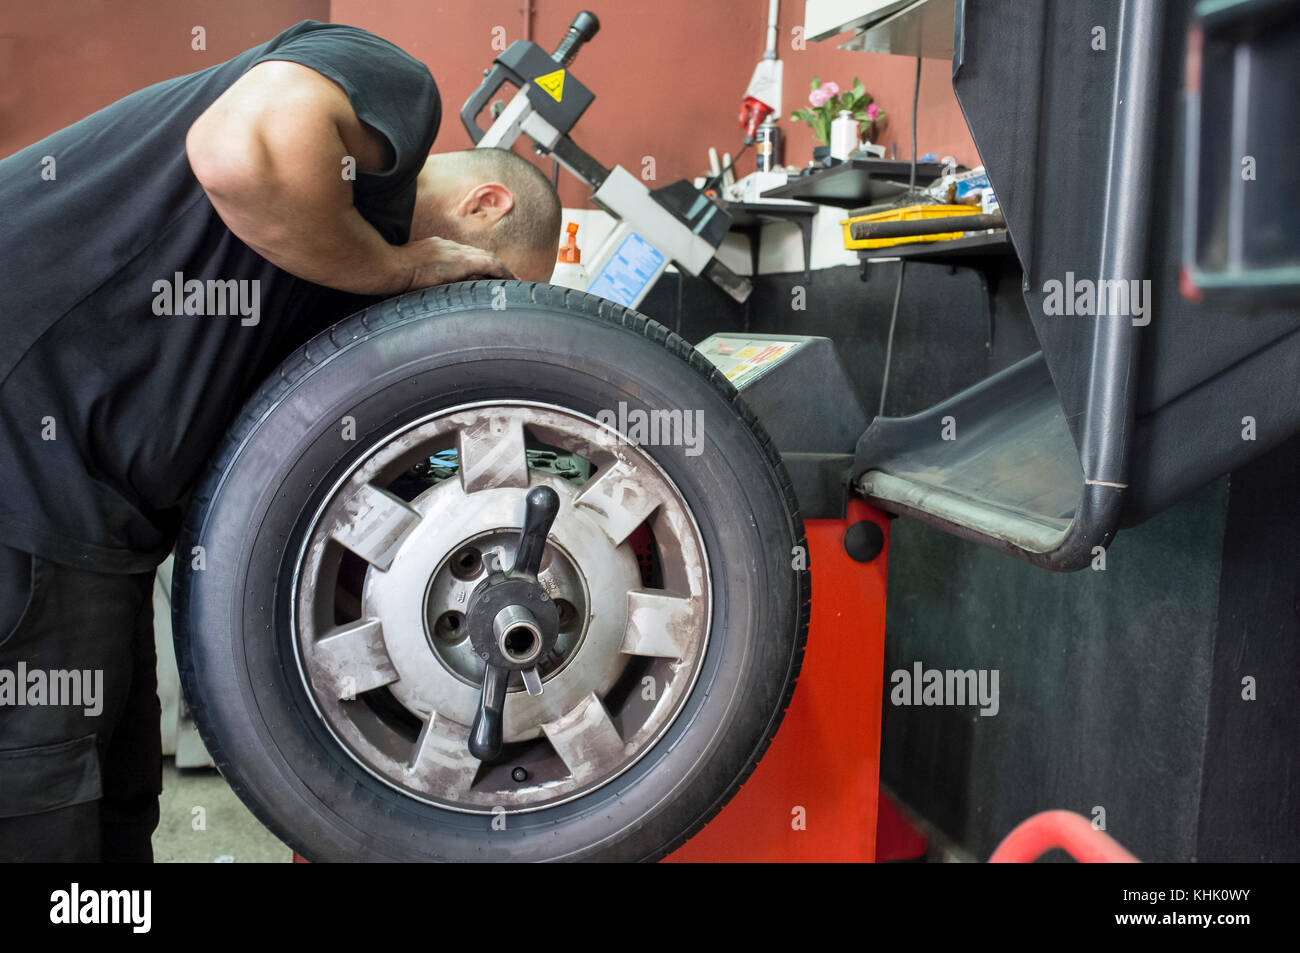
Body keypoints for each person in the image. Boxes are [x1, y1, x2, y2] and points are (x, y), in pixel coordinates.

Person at [0, 19, 562, 861]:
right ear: (487, 204)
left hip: (90, 528)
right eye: (490, 283)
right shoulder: (390, 98)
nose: (468, 314)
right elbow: (239, 153)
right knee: (38, 819)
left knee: (114, 814)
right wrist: (402, 268)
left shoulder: (327, 281)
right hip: (23, 481)